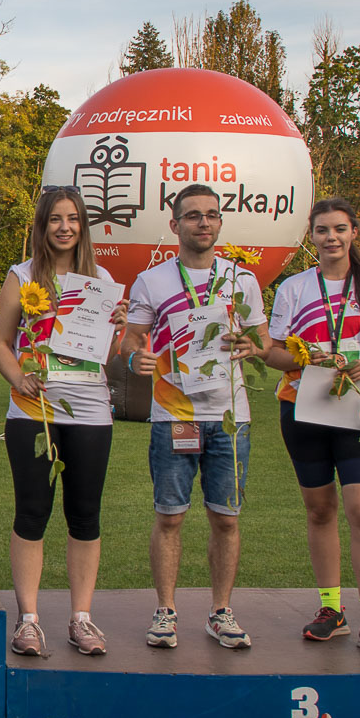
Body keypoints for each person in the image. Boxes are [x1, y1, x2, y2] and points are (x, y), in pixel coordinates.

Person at [121, 184, 268, 649]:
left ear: (220, 223)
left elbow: (264, 343)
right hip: (174, 416)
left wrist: (251, 347)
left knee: (226, 518)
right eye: (192, 216)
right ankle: (165, 611)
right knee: (170, 517)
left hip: (230, 418)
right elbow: (131, 339)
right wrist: (134, 360)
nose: (202, 223)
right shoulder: (153, 281)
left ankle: (220, 611)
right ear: (174, 225)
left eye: (210, 215)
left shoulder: (241, 280)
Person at [260, 197, 360, 657]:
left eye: (340, 229)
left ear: (354, 232)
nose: (331, 237)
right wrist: (305, 358)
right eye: (322, 230)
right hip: (301, 407)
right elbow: (273, 352)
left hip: (355, 410)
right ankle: (331, 610)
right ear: (312, 236)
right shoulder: (293, 288)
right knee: (320, 510)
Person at [0, 188, 126, 656]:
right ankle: (28, 620)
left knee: (85, 515)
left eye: (72, 219)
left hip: (90, 409)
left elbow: (103, 355)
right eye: (55, 220)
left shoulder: (101, 279)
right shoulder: (22, 276)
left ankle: (81, 619)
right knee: (32, 513)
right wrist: (18, 378)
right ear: (42, 226)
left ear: (83, 226)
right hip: (34, 410)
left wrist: (118, 327)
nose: (64, 227)